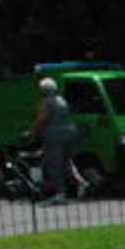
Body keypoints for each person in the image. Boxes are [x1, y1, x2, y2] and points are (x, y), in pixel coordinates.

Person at [29, 75, 81, 204]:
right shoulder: (62, 100)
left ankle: (60, 193)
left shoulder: (47, 102)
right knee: (67, 163)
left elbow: (42, 119)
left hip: (54, 136)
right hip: (70, 133)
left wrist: (32, 132)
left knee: (54, 165)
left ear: (43, 90)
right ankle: (80, 182)